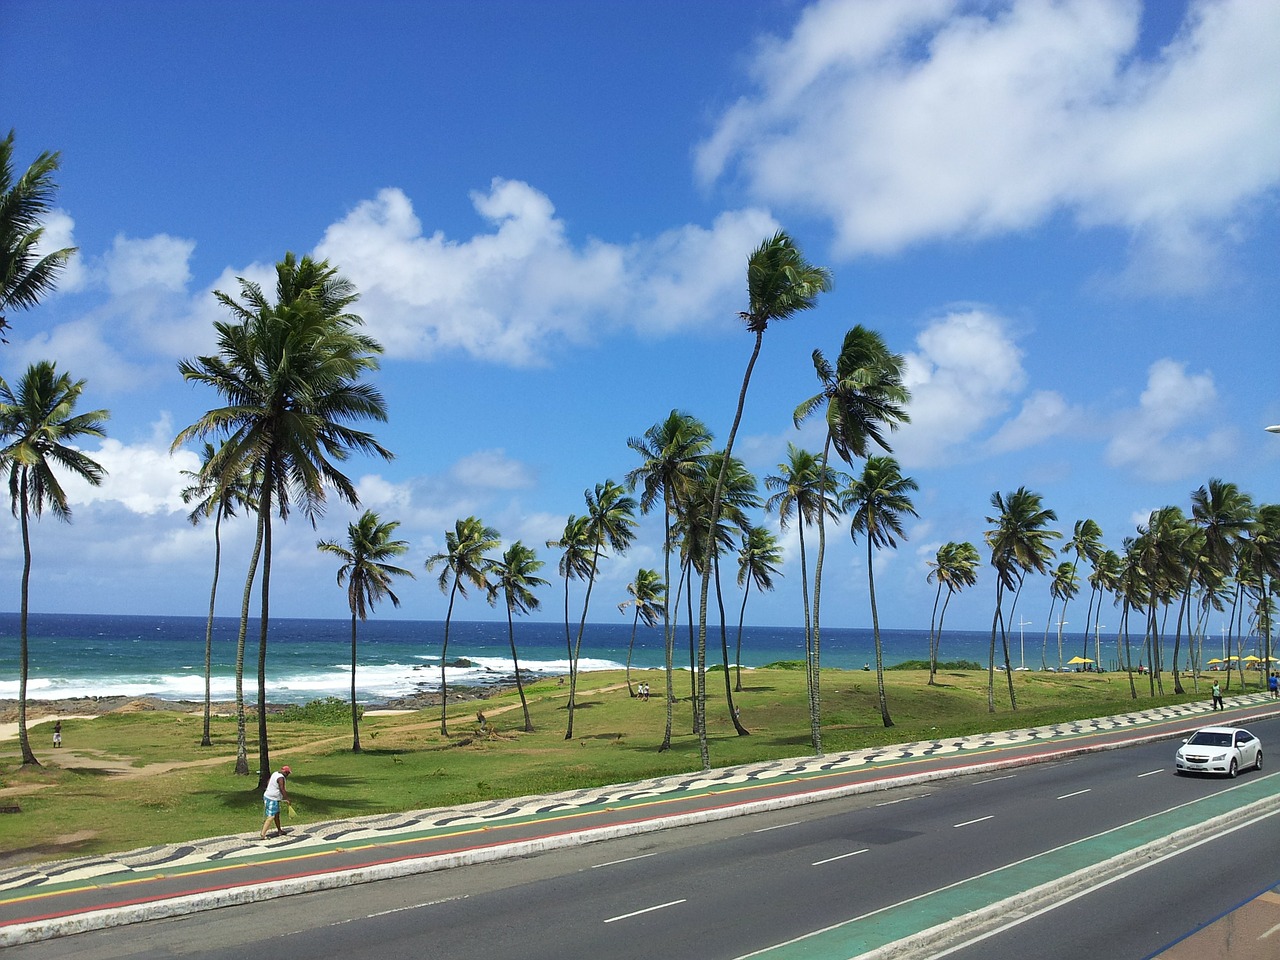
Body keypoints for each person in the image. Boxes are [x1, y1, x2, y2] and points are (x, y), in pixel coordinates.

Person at [260, 765, 291, 839]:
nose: (288, 775)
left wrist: (269, 789)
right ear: (286, 772)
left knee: (277, 813)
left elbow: (268, 781)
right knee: (271, 816)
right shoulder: (281, 778)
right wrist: (287, 799)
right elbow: (282, 789)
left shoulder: (275, 773)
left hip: (268, 796)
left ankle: (279, 830)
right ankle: (263, 834)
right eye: (288, 773)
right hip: (272, 799)